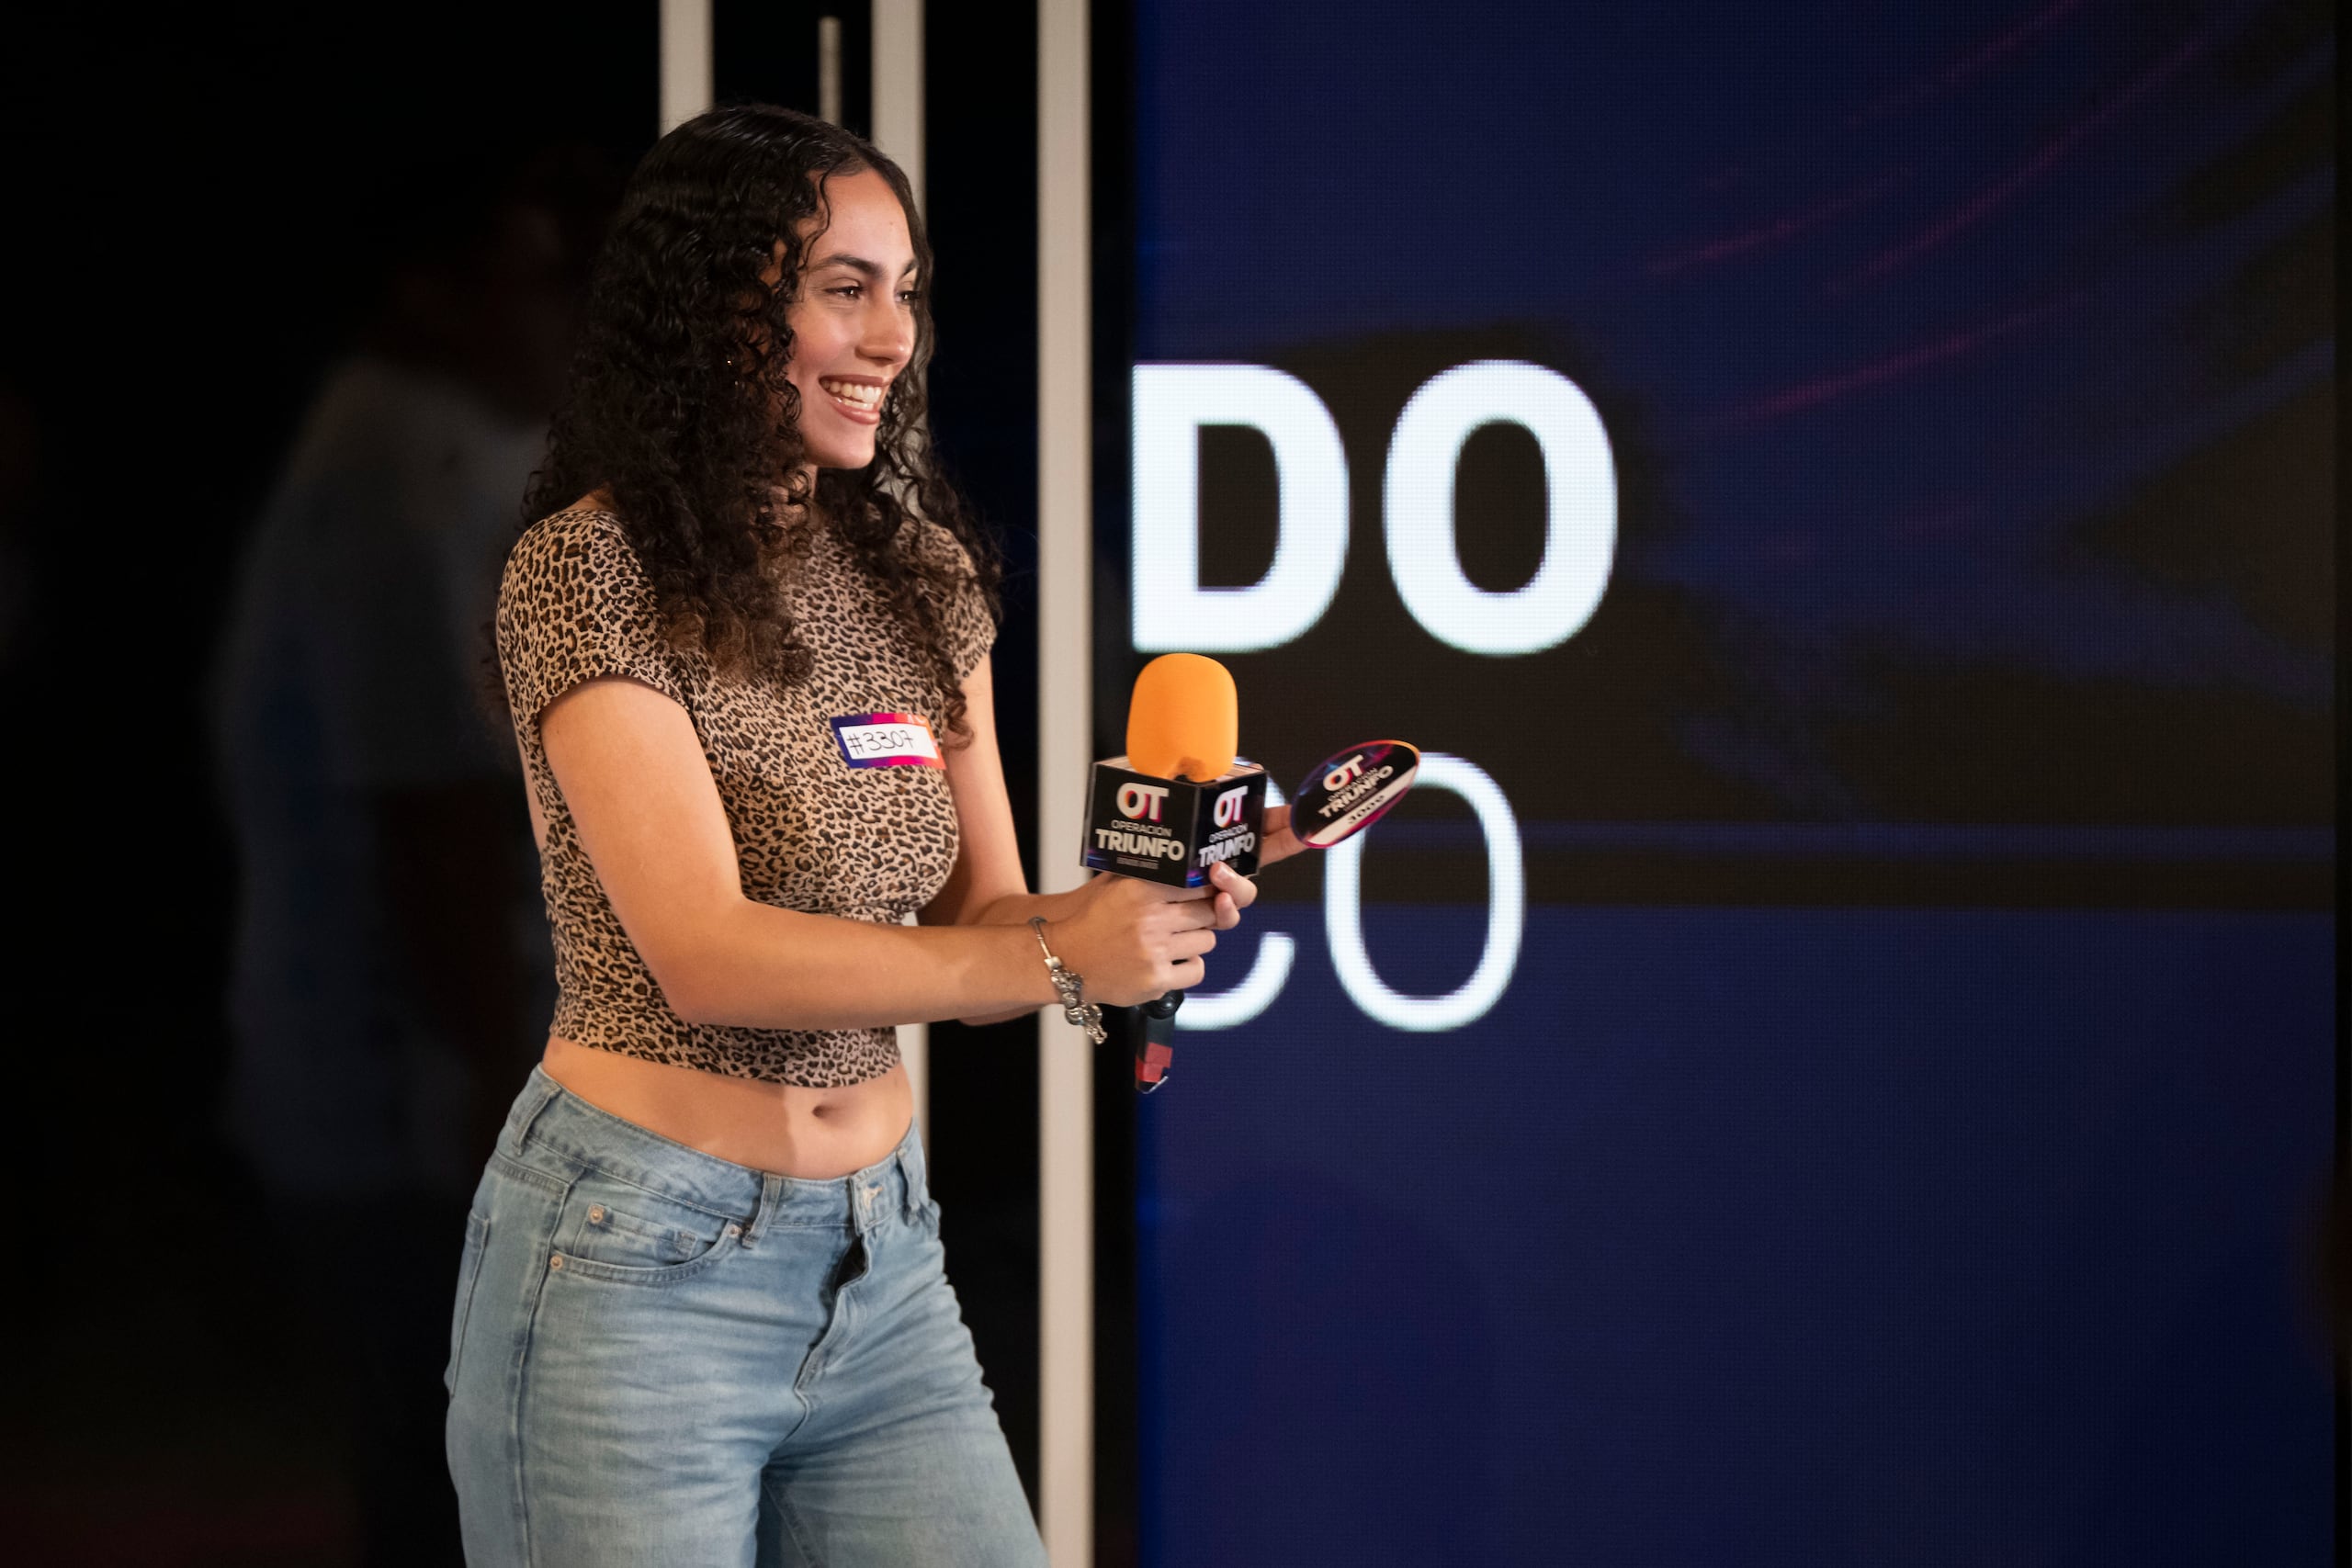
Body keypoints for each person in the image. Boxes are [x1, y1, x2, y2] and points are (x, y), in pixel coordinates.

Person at [444, 104, 1299, 1566]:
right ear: (722, 304)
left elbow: (977, 922)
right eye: (846, 287)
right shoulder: (590, 569)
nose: (894, 336)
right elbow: (706, 957)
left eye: (905, 290)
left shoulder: (922, 576)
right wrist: (1061, 960)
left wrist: (1139, 902)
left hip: (882, 1262)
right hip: (634, 1264)